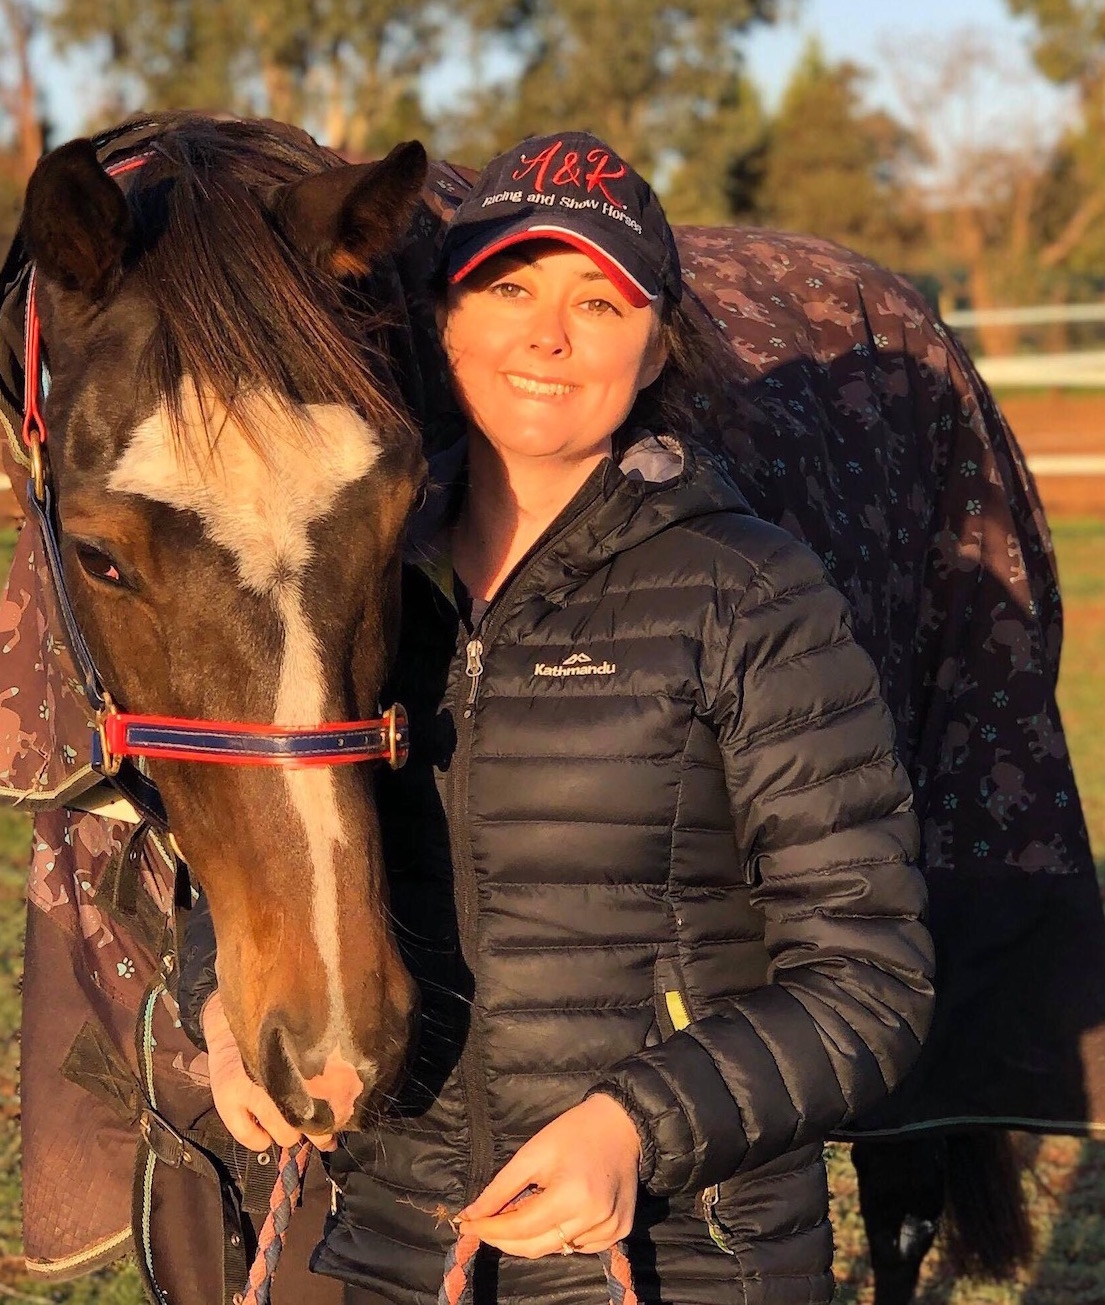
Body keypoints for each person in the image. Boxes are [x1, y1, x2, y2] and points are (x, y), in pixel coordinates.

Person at [179, 130, 935, 1305]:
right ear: (443, 317)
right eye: (509, 286)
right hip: (394, 1248)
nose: (547, 334)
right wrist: (218, 1005)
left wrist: (634, 1130)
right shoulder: (361, 590)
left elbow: (868, 982)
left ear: (653, 346)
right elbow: (263, 822)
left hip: (674, 1259)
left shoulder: (750, 593)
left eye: (600, 300)